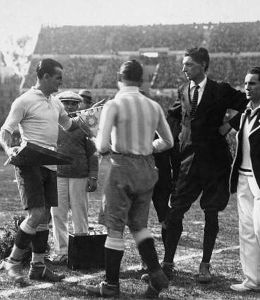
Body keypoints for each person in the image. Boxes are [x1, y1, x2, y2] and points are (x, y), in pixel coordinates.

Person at [86, 59, 173, 298]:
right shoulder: (153, 105)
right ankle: (156, 274)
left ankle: (111, 285)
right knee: (139, 226)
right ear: (141, 79)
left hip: (122, 166)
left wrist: (92, 137)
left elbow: (103, 146)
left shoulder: (114, 105)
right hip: (147, 168)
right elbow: (168, 142)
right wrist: (147, 147)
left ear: (119, 77)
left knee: (115, 227)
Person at [162, 47, 248, 283]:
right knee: (175, 211)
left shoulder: (220, 89)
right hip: (188, 162)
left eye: (188, 64)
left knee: (211, 214)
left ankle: (205, 265)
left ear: (202, 65)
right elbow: (176, 117)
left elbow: (248, 104)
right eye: (183, 64)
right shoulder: (182, 90)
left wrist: (229, 125)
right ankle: (167, 262)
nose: (183, 69)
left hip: (215, 163)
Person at [0, 58, 80, 285]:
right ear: (44, 76)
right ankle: (13, 263)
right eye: (57, 78)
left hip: (51, 164)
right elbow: (5, 130)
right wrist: (8, 149)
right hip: (30, 163)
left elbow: (70, 125)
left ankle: (38, 267)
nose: (60, 82)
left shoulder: (56, 102)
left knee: (44, 218)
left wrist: (92, 117)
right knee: (36, 215)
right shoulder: (24, 100)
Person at [50, 91, 98, 264]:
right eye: (66, 103)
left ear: (79, 105)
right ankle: (61, 251)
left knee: (80, 213)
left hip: (79, 175)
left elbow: (93, 154)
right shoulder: (52, 123)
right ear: (59, 105)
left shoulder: (84, 125)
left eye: (73, 103)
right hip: (57, 175)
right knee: (58, 214)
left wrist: (93, 176)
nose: (69, 106)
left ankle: (81, 250)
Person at [229, 67, 260, 292]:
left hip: (258, 182)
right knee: (247, 231)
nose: (247, 88)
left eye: (253, 84)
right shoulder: (245, 114)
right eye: (246, 83)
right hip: (243, 178)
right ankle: (252, 280)